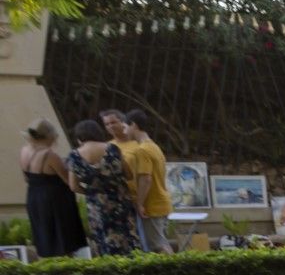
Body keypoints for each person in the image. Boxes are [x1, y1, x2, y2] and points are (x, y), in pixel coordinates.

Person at [100, 107, 173, 253]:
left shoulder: (141, 149)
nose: (124, 130)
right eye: (106, 124)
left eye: (124, 126)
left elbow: (146, 178)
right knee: (159, 242)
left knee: (157, 246)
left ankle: (174, 271)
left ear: (133, 125)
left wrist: (139, 204)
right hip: (159, 201)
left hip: (150, 203)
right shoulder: (153, 146)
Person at [65, 118, 140, 256]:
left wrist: (91, 192)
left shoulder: (74, 156)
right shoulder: (112, 149)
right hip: (119, 199)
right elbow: (129, 174)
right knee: (127, 237)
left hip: (96, 204)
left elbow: (73, 185)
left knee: (102, 238)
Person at [17, 118, 89, 258]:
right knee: (63, 239)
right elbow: (68, 180)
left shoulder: (24, 151)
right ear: (50, 136)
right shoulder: (50, 155)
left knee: (45, 237)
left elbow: (26, 178)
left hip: (33, 197)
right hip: (55, 200)